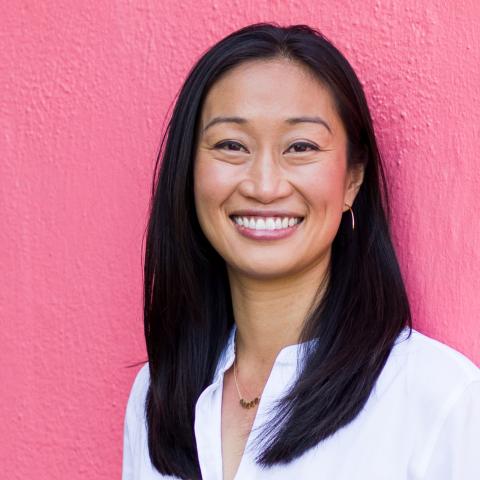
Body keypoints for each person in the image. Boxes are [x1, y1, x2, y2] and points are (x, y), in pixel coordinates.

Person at [122, 23, 480, 480]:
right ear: (189, 173)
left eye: (301, 147)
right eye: (232, 146)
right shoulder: (157, 395)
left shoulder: (440, 401)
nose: (264, 185)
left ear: (352, 178)